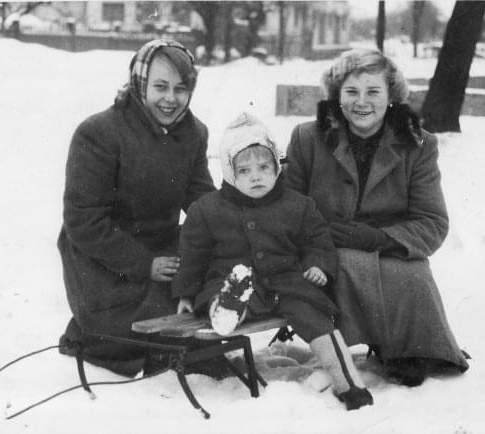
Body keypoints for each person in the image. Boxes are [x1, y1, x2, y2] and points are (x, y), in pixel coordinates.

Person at [284, 48, 469, 387]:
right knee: (344, 264)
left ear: (391, 96)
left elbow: (432, 221)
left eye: (373, 92)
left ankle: (410, 349)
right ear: (336, 95)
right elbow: (286, 209)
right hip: (325, 250)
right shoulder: (307, 138)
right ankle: (386, 346)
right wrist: (316, 237)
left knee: (412, 273)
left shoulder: (418, 144)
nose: (362, 102)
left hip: (388, 246)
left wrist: (379, 238)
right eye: (351, 92)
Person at [174, 112, 373, 411]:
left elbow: (317, 240)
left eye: (264, 167)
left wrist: (318, 265)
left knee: (316, 319)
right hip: (235, 282)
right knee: (229, 294)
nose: (256, 176)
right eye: (245, 170)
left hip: (289, 283)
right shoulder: (207, 210)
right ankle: (226, 308)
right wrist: (186, 293)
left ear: (277, 167)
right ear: (230, 172)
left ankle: (350, 384)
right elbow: (193, 254)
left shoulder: (298, 205)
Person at [57, 39, 215, 376]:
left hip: (161, 249)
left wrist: (237, 218)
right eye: (160, 86)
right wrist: (145, 264)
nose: (170, 99)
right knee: (161, 315)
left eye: (180, 88)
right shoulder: (99, 132)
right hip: (104, 263)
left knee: (209, 284)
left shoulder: (193, 132)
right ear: (140, 84)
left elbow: (202, 202)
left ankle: (192, 354)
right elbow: (83, 221)